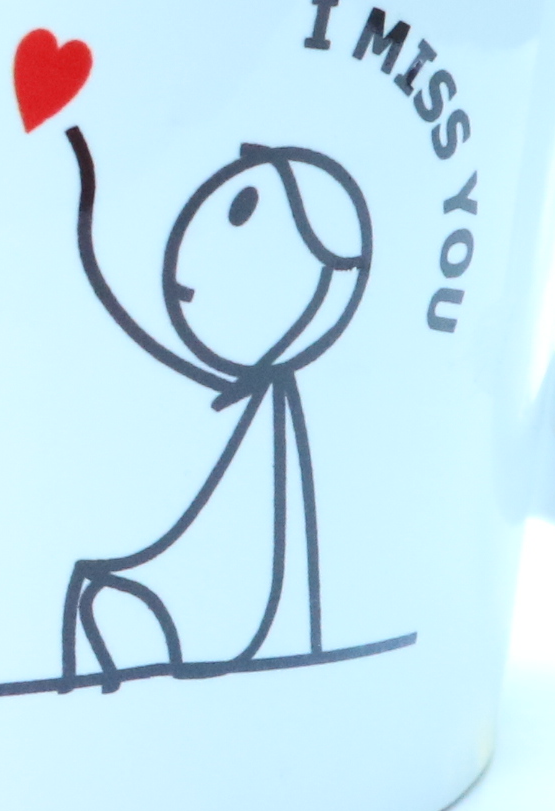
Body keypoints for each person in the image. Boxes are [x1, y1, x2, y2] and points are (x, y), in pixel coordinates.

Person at [57, 124, 371, 689]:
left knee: (104, 595)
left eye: (242, 212)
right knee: (100, 593)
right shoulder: (255, 398)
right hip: (214, 593)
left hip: (231, 615)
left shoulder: (266, 399)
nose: (181, 281)